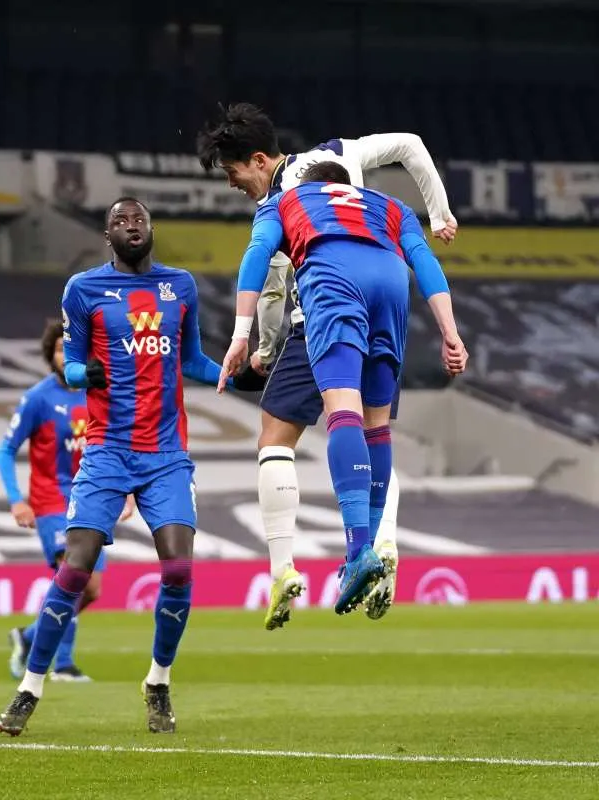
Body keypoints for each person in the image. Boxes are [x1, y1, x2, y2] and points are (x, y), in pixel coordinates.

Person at [197, 102, 460, 628]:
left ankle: (290, 565)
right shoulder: (344, 160)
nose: (232, 186)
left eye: (231, 174)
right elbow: (409, 143)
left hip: (321, 305)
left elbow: (267, 281)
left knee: (281, 435)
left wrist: (249, 342)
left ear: (255, 160)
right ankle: (382, 547)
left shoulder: (282, 203)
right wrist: (440, 214)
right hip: (388, 284)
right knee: (375, 425)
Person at [0, 197, 227, 736]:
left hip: (166, 455)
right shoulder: (84, 289)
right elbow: (72, 364)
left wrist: (238, 374)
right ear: (108, 235)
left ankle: (159, 681)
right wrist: (84, 375)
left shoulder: (181, 287)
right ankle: (30, 686)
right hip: (105, 452)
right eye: (120, 220)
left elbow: (190, 360)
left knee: (177, 568)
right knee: (74, 570)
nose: (131, 226)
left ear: (151, 229)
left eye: (139, 219)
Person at [0, 319, 135, 683]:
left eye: (69, 348)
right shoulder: (37, 399)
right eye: (58, 349)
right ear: (50, 355)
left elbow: (119, 445)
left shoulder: (97, 395)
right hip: (52, 501)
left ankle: (28, 636)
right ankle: (64, 664)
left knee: (92, 589)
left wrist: (127, 490)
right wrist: (16, 500)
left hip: (90, 499)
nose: (64, 355)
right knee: (73, 576)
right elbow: (5, 450)